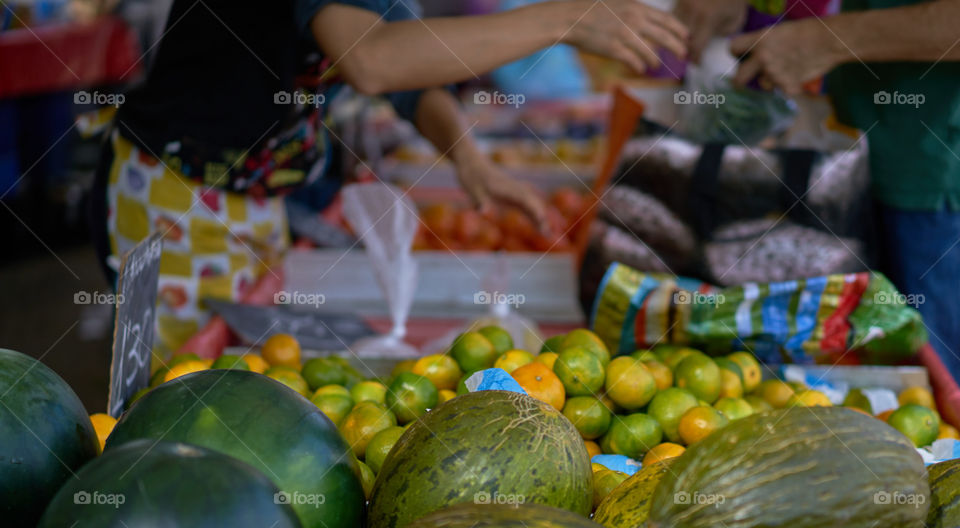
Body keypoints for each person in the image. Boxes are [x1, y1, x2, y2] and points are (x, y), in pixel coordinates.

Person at [97, 0, 687, 358]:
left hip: (253, 192)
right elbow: (374, 61)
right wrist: (564, 19)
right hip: (175, 192)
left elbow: (411, 67)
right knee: (182, 393)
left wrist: (469, 159)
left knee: (239, 364)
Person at [677, 0, 960, 381]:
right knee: (873, 391)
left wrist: (826, 40)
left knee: (936, 395)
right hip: (855, 153)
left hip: (935, 184)